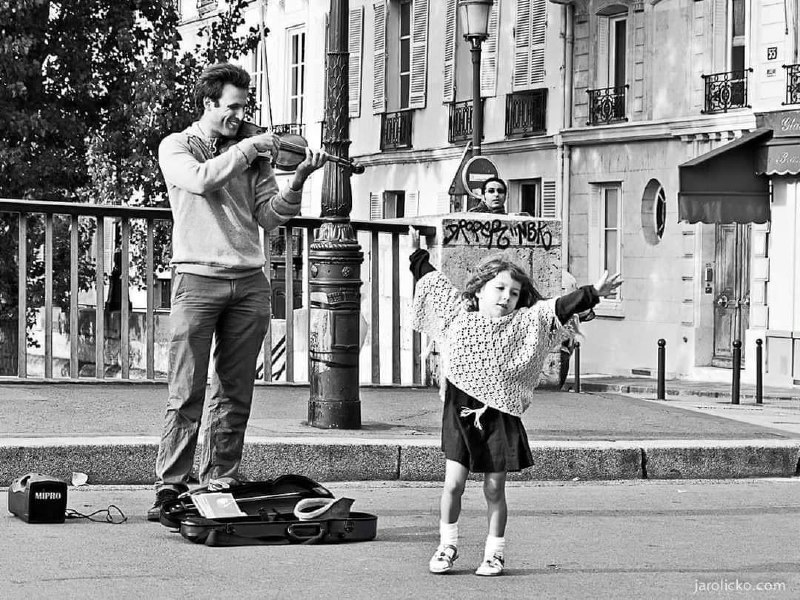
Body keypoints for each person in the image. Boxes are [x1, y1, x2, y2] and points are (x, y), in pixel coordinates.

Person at [147, 63, 327, 521]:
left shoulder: (254, 157)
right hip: (197, 278)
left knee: (235, 393)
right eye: (233, 107)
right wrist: (249, 147)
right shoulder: (177, 145)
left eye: (245, 107)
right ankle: (171, 487)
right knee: (185, 391)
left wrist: (299, 181)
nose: (240, 115)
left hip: (250, 281)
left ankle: (218, 482)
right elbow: (201, 180)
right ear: (208, 103)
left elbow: (269, 217)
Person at [408, 227, 621, 576]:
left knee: (494, 488)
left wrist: (592, 294)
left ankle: (495, 553)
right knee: (453, 485)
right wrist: (417, 253)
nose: (506, 297)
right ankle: (447, 545)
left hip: (500, 415)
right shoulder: (457, 316)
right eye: (499, 288)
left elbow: (557, 308)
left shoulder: (526, 322)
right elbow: (431, 280)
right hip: (459, 412)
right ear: (478, 291)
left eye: (514, 292)